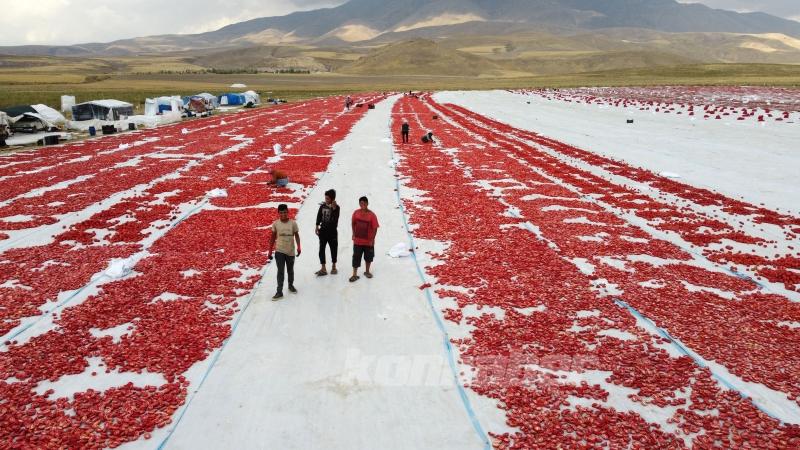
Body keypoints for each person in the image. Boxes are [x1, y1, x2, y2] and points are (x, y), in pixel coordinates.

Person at [268, 204, 301, 300]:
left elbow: (297, 236)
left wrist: (299, 247)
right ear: (278, 213)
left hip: (290, 250)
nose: (283, 214)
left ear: (288, 212)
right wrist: (270, 251)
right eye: (281, 213)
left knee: (290, 270)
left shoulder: (293, 223)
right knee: (280, 272)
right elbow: (273, 237)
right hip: (279, 250)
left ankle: (290, 285)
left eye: (285, 212)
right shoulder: (276, 224)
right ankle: (279, 292)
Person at [350, 196, 379, 282]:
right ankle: (354, 274)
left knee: (368, 257)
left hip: (368, 242)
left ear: (367, 203)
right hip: (358, 241)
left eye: (364, 203)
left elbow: (375, 228)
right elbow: (353, 223)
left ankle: (367, 271)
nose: (362, 205)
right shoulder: (356, 213)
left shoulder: (372, 215)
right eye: (361, 203)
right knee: (356, 257)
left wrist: (373, 239)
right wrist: (353, 234)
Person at [315, 189, 340, 276]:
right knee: (321, 249)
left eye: (328, 199)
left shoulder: (337, 208)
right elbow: (319, 216)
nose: (326, 200)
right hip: (323, 232)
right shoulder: (322, 206)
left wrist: (333, 209)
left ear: (332, 199)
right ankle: (323, 267)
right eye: (325, 198)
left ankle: (334, 266)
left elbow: (335, 219)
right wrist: (317, 225)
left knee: (333, 249)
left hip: (332, 232)